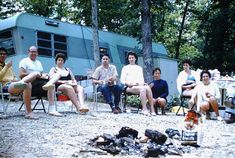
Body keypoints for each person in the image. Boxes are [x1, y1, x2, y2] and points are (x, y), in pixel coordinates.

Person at [19, 46, 62, 117]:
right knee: (36, 75)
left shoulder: (38, 62)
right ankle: (28, 110)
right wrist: (34, 74)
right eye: (31, 52)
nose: (33, 53)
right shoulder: (24, 61)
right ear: (28, 52)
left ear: (37, 53)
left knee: (52, 84)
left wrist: (44, 75)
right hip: (29, 84)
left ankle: (52, 109)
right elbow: (21, 74)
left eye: (35, 52)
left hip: (40, 83)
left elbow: (41, 74)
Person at [0, 47, 39, 119]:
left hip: (14, 84)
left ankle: (28, 112)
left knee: (28, 84)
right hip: (6, 86)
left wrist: (16, 80)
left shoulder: (8, 65)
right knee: (26, 83)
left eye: (4, 54)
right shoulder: (7, 65)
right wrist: (6, 67)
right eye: (1, 54)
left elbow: (14, 76)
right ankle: (29, 112)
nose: (2, 55)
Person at [120, 51, 155, 116]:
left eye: (132, 57)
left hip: (138, 85)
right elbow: (122, 80)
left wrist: (142, 83)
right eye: (129, 58)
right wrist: (127, 83)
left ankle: (152, 108)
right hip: (129, 87)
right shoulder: (125, 68)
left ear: (135, 58)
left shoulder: (139, 68)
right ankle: (144, 109)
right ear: (128, 59)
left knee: (147, 87)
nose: (131, 59)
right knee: (143, 89)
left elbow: (141, 79)